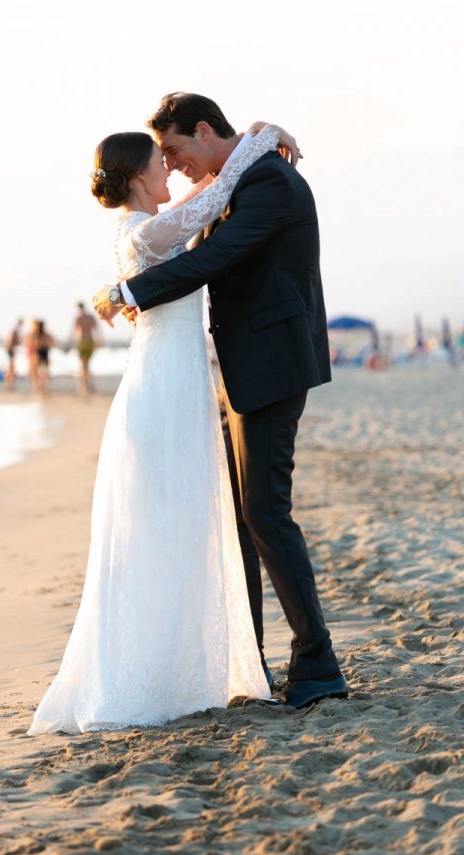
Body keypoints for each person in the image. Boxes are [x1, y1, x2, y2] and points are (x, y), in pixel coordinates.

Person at [28, 119, 294, 736]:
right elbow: (219, 194)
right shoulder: (147, 233)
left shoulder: (147, 233)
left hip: (179, 389)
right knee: (167, 528)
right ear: (138, 177)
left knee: (183, 527)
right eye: (160, 161)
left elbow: (209, 207)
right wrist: (263, 134)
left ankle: (187, 670)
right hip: (161, 397)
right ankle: (155, 676)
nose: (169, 169)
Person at [93, 93, 348, 710]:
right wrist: (262, 131)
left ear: (204, 130)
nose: (172, 164)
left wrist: (130, 289)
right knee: (243, 519)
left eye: (175, 150)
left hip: (273, 364)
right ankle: (248, 664)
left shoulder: (269, 181)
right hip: (237, 368)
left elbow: (217, 255)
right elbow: (204, 225)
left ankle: (317, 665)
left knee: (265, 512)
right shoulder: (235, 175)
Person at [24, 319, 56, 399]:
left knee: (37, 375)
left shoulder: (34, 335)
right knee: (43, 375)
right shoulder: (45, 335)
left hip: (37, 355)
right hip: (44, 355)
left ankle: (39, 392)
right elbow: (53, 343)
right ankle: (44, 391)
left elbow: (27, 343)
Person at [73, 302, 98, 395]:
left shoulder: (78, 318)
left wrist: (72, 343)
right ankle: (86, 384)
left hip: (82, 341)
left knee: (83, 365)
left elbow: (75, 332)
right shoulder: (90, 317)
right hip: (90, 340)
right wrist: (99, 341)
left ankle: (83, 386)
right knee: (87, 364)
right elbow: (96, 329)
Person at [3, 318, 23, 390]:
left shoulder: (14, 331)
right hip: (11, 351)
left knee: (11, 368)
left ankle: (9, 384)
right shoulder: (14, 331)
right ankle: (9, 384)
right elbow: (10, 342)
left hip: (10, 350)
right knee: (11, 368)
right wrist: (12, 349)